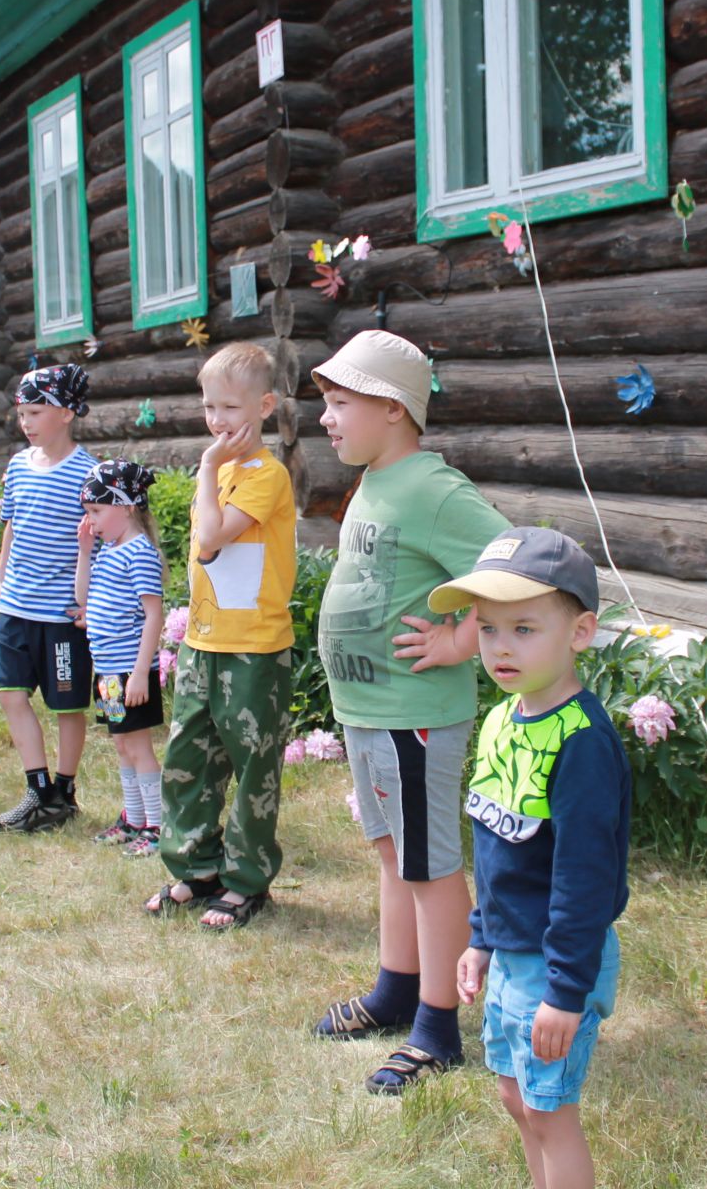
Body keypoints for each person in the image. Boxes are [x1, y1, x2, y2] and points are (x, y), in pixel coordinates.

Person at [307, 329, 510, 1094]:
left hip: (413, 716)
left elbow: (515, 563)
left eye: (339, 403)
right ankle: (396, 990)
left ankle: (437, 1027)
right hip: (368, 712)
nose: (326, 419)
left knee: (431, 869)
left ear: (393, 409)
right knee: (395, 857)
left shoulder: (432, 487)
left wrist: (463, 640)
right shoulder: (373, 480)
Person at [436, 527, 631, 1189]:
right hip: (511, 955)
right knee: (516, 1099)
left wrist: (565, 991)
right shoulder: (502, 720)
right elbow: (498, 853)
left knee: (551, 1113)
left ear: (579, 633)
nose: (500, 647)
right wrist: (480, 939)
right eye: (487, 629)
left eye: (524, 628)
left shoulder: (582, 744)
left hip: (556, 963)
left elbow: (585, 880)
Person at [144, 342, 296, 931]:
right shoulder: (223, 470)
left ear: (264, 405)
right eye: (209, 406)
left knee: (253, 765)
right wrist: (213, 469)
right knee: (189, 760)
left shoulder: (266, 475)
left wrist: (206, 469)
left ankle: (245, 882)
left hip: (253, 648)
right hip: (203, 644)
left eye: (230, 407)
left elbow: (210, 540)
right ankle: (195, 869)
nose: (217, 420)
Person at [0, 364, 97, 834]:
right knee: (11, 694)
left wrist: (92, 604)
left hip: (62, 615)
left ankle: (65, 792)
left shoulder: (88, 472)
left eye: (36, 412)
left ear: (67, 413)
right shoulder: (17, 466)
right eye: (22, 413)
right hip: (16, 607)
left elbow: (103, 540)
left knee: (67, 705)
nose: (26, 423)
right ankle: (36, 789)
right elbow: (11, 525)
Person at [74, 459, 167, 855]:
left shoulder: (138, 553)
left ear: (126, 506)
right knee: (122, 745)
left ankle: (158, 827)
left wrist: (142, 674)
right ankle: (132, 819)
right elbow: (82, 601)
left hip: (131, 671)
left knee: (139, 747)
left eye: (96, 511)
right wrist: (83, 551)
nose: (90, 520)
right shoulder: (107, 552)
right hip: (108, 672)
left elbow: (154, 613)